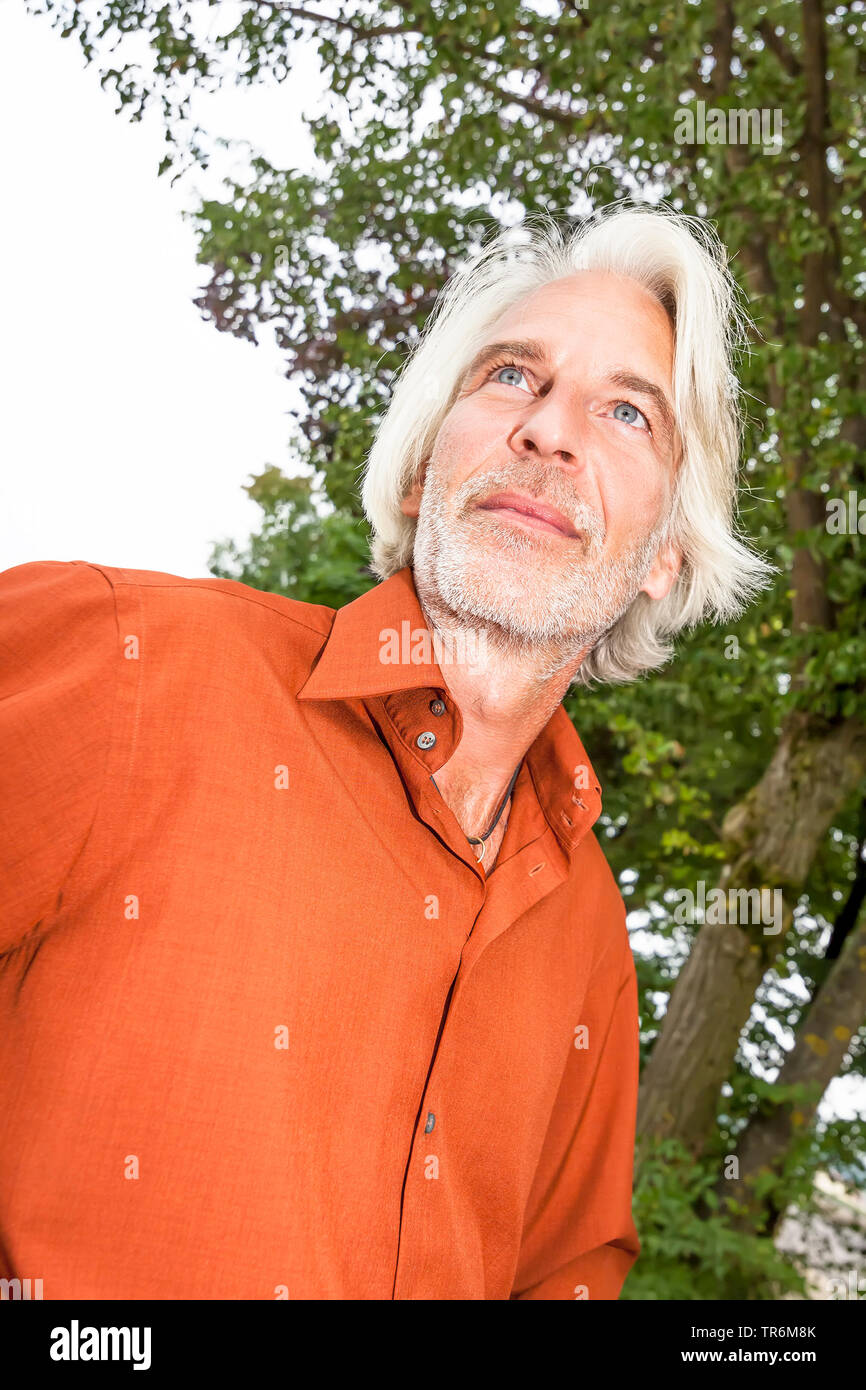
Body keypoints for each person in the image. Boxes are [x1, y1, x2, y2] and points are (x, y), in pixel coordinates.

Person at [0, 202, 770, 1300]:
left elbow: (565, 1274)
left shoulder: (589, 928)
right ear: (419, 473)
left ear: (663, 556)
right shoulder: (125, 658)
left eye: (626, 414)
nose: (550, 431)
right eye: (512, 376)